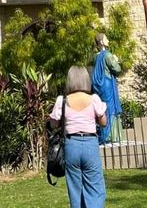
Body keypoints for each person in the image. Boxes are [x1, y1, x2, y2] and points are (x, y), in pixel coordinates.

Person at [49, 66, 107, 208]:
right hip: (90, 144)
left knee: (75, 187)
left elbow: (54, 123)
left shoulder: (62, 100)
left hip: (71, 144)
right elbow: (103, 122)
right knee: (95, 185)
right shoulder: (94, 99)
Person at [91, 33, 122, 144]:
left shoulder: (95, 57)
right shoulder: (108, 55)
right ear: (102, 42)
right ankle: (111, 136)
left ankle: (103, 134)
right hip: (108, 86)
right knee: (111, 110)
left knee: (102, 109)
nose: (108, 40)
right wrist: (116, 60)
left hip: (99, 88)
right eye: (106, 39)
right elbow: (117, 69)